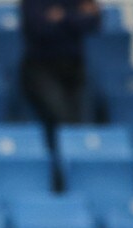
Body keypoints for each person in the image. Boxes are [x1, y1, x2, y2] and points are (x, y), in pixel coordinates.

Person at [20, 0, 102, 131]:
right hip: (41, 67)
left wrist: (63, 17)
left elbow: (93, 21)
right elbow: (38, 27)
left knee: (81, 119)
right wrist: (75, 18)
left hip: (75, 67)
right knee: (65, 118)